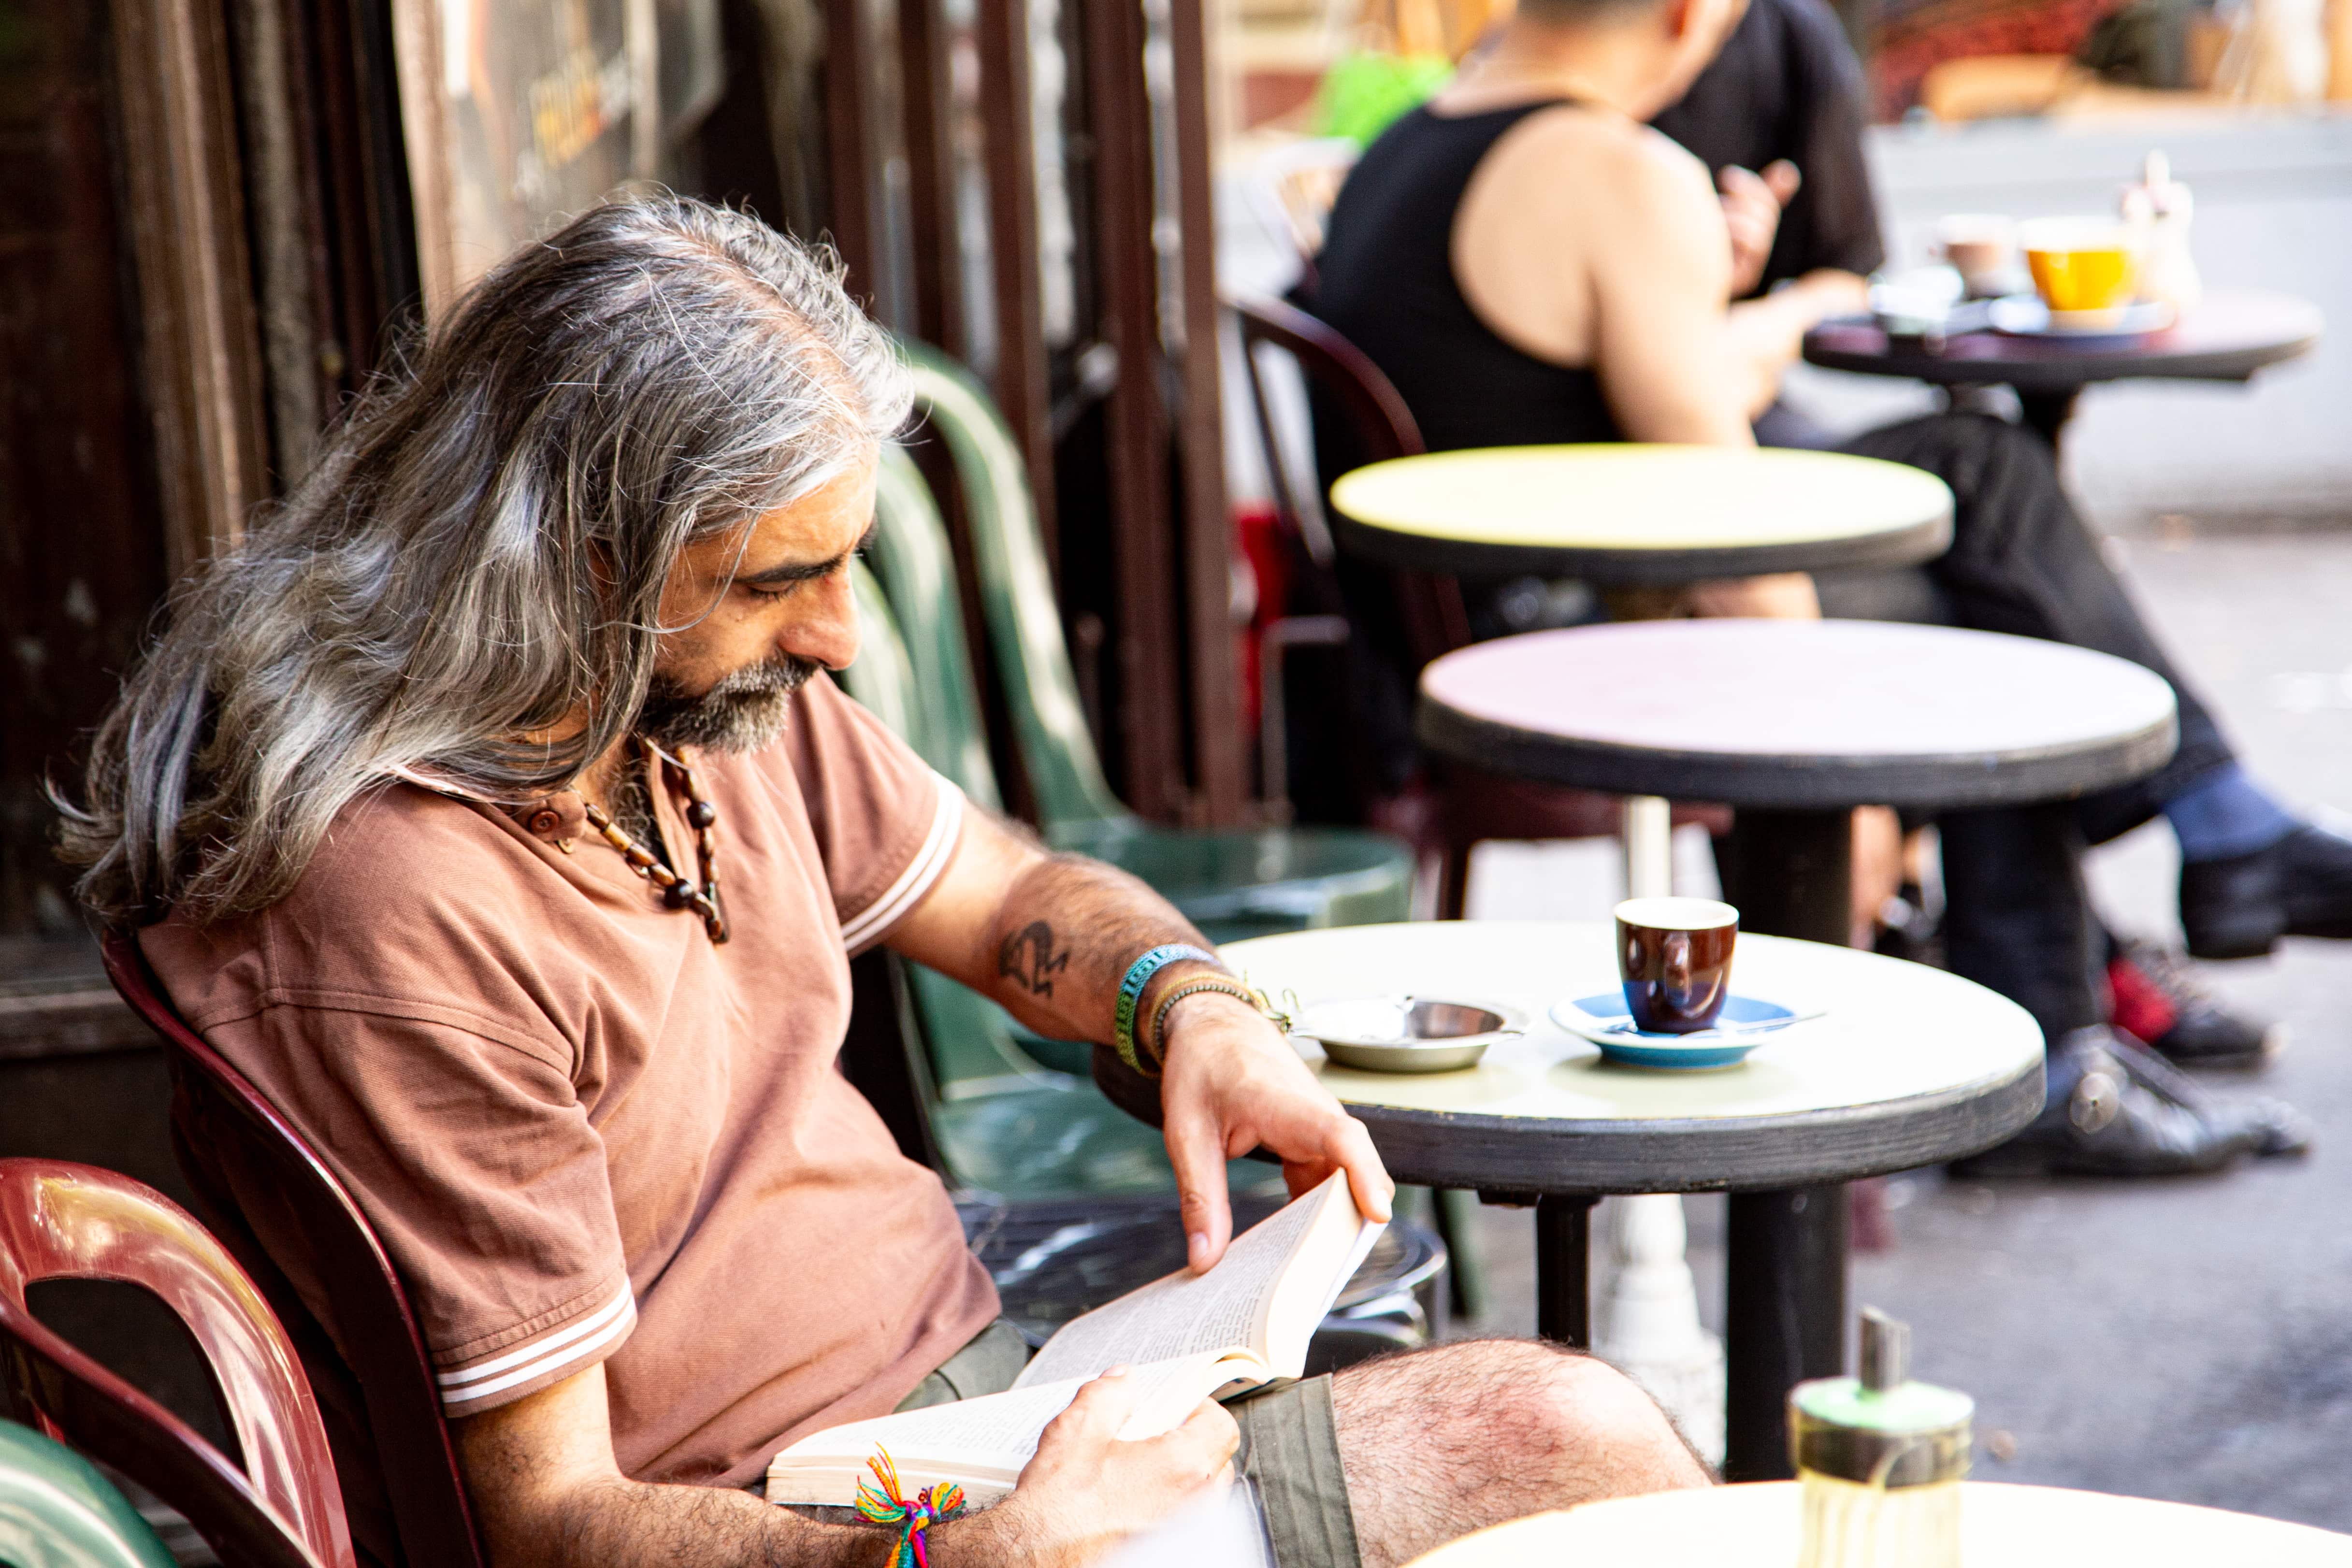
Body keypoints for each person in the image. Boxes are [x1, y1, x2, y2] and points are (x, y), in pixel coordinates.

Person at [58, 197, 1707, 1568]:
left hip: (971, 1392)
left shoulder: (663, 705)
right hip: (834, 1512)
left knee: (1564, 1441)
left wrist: (1182, 1003)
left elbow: (999, 894)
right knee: (1559, 1446)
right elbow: (549, 1521)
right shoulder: (398, 907)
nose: (842, 633)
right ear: (576, 562)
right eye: (785, 578)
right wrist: (986, 1548)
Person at [1308, 0, 2344, 1174]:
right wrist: (1831, 775)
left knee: (1975, 472)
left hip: (1462, 631)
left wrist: (1707, 298)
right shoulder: (1610, 172)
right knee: (1994, 606)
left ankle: (2144, 935)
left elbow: (1546, 414)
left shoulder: (1404, 146)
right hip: (1570, 645)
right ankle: (2145, 930)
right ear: (1691, 16)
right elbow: (1731, 532)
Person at [1648, 0, 2285, 1070]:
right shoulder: (1596, 154)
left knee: (1987, 507)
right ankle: (2113, 943)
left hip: (1711, 475)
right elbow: (1681, 423)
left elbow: (1829, 280)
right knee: (1991, 539)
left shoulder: (1736, 58)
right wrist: (1807, 731)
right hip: (1655, 539)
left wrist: (1738, 306)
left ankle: (2078, 985)